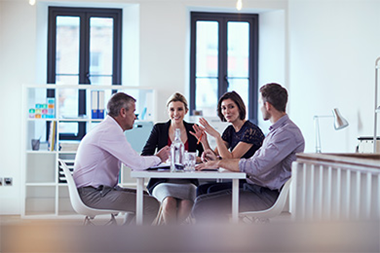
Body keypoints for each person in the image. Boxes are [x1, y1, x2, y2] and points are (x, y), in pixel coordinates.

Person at [191, 83, 305, 222]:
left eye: (260, 103)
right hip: (255, 186)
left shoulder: (286, 133)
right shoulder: (275, 131)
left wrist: (218, 162)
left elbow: (256, 166)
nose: (260, 107)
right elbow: (252, 162)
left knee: (202, 206)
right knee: (203, 191)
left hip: (266, 195)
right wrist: (214, 158)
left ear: (268, 106)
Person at [73, 92, 170, 225]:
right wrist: (159, 157)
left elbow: (134, 160)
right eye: (133, 112)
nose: (135, 117)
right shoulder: (110, 131)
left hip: (97, 190)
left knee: (145, 196)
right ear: (123, 112)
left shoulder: (109, 128)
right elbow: (136, 164)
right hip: (92, 195)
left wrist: (151, 159)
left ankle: (127, 239)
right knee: (150, 204)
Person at [141, 92, 204, 224]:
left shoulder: (193, 129)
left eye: (180, 109)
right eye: (172, 109)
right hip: (162, 181)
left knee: (187, 203)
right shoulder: (159, 129)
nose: (176, 113)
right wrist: (159, 157)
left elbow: (206, 157)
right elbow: (145, 155)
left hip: (188, 182)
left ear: (186, 111)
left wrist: (197, 154)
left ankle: (171, 236)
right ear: (167, 111)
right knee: (169, 201)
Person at [191, 91, 265, 196]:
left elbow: (230, 159)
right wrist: (204, 141)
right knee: (201, 189)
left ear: (239, 108)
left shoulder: (251, 131)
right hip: (237, 178)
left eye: (231, 107)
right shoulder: (230, 130)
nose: (227, 111)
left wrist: (216, 136)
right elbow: (214, 157)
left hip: (251, 183)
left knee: (209, 191)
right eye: (224, 108)